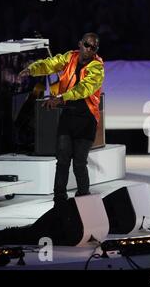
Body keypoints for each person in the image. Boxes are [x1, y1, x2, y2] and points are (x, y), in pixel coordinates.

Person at [19, 33, 104, 207]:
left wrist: (60, 98)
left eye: (93, 47)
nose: (89, 49)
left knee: (79, 163)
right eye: (87, 45)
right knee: (62, 160)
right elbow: (50, 64)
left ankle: (84, 202)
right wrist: (32, 69)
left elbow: (84, 89)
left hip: (86, 119)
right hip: (68, 116)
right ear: (80, 43)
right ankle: (59, 202)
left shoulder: (97, 67)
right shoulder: (69, 57)